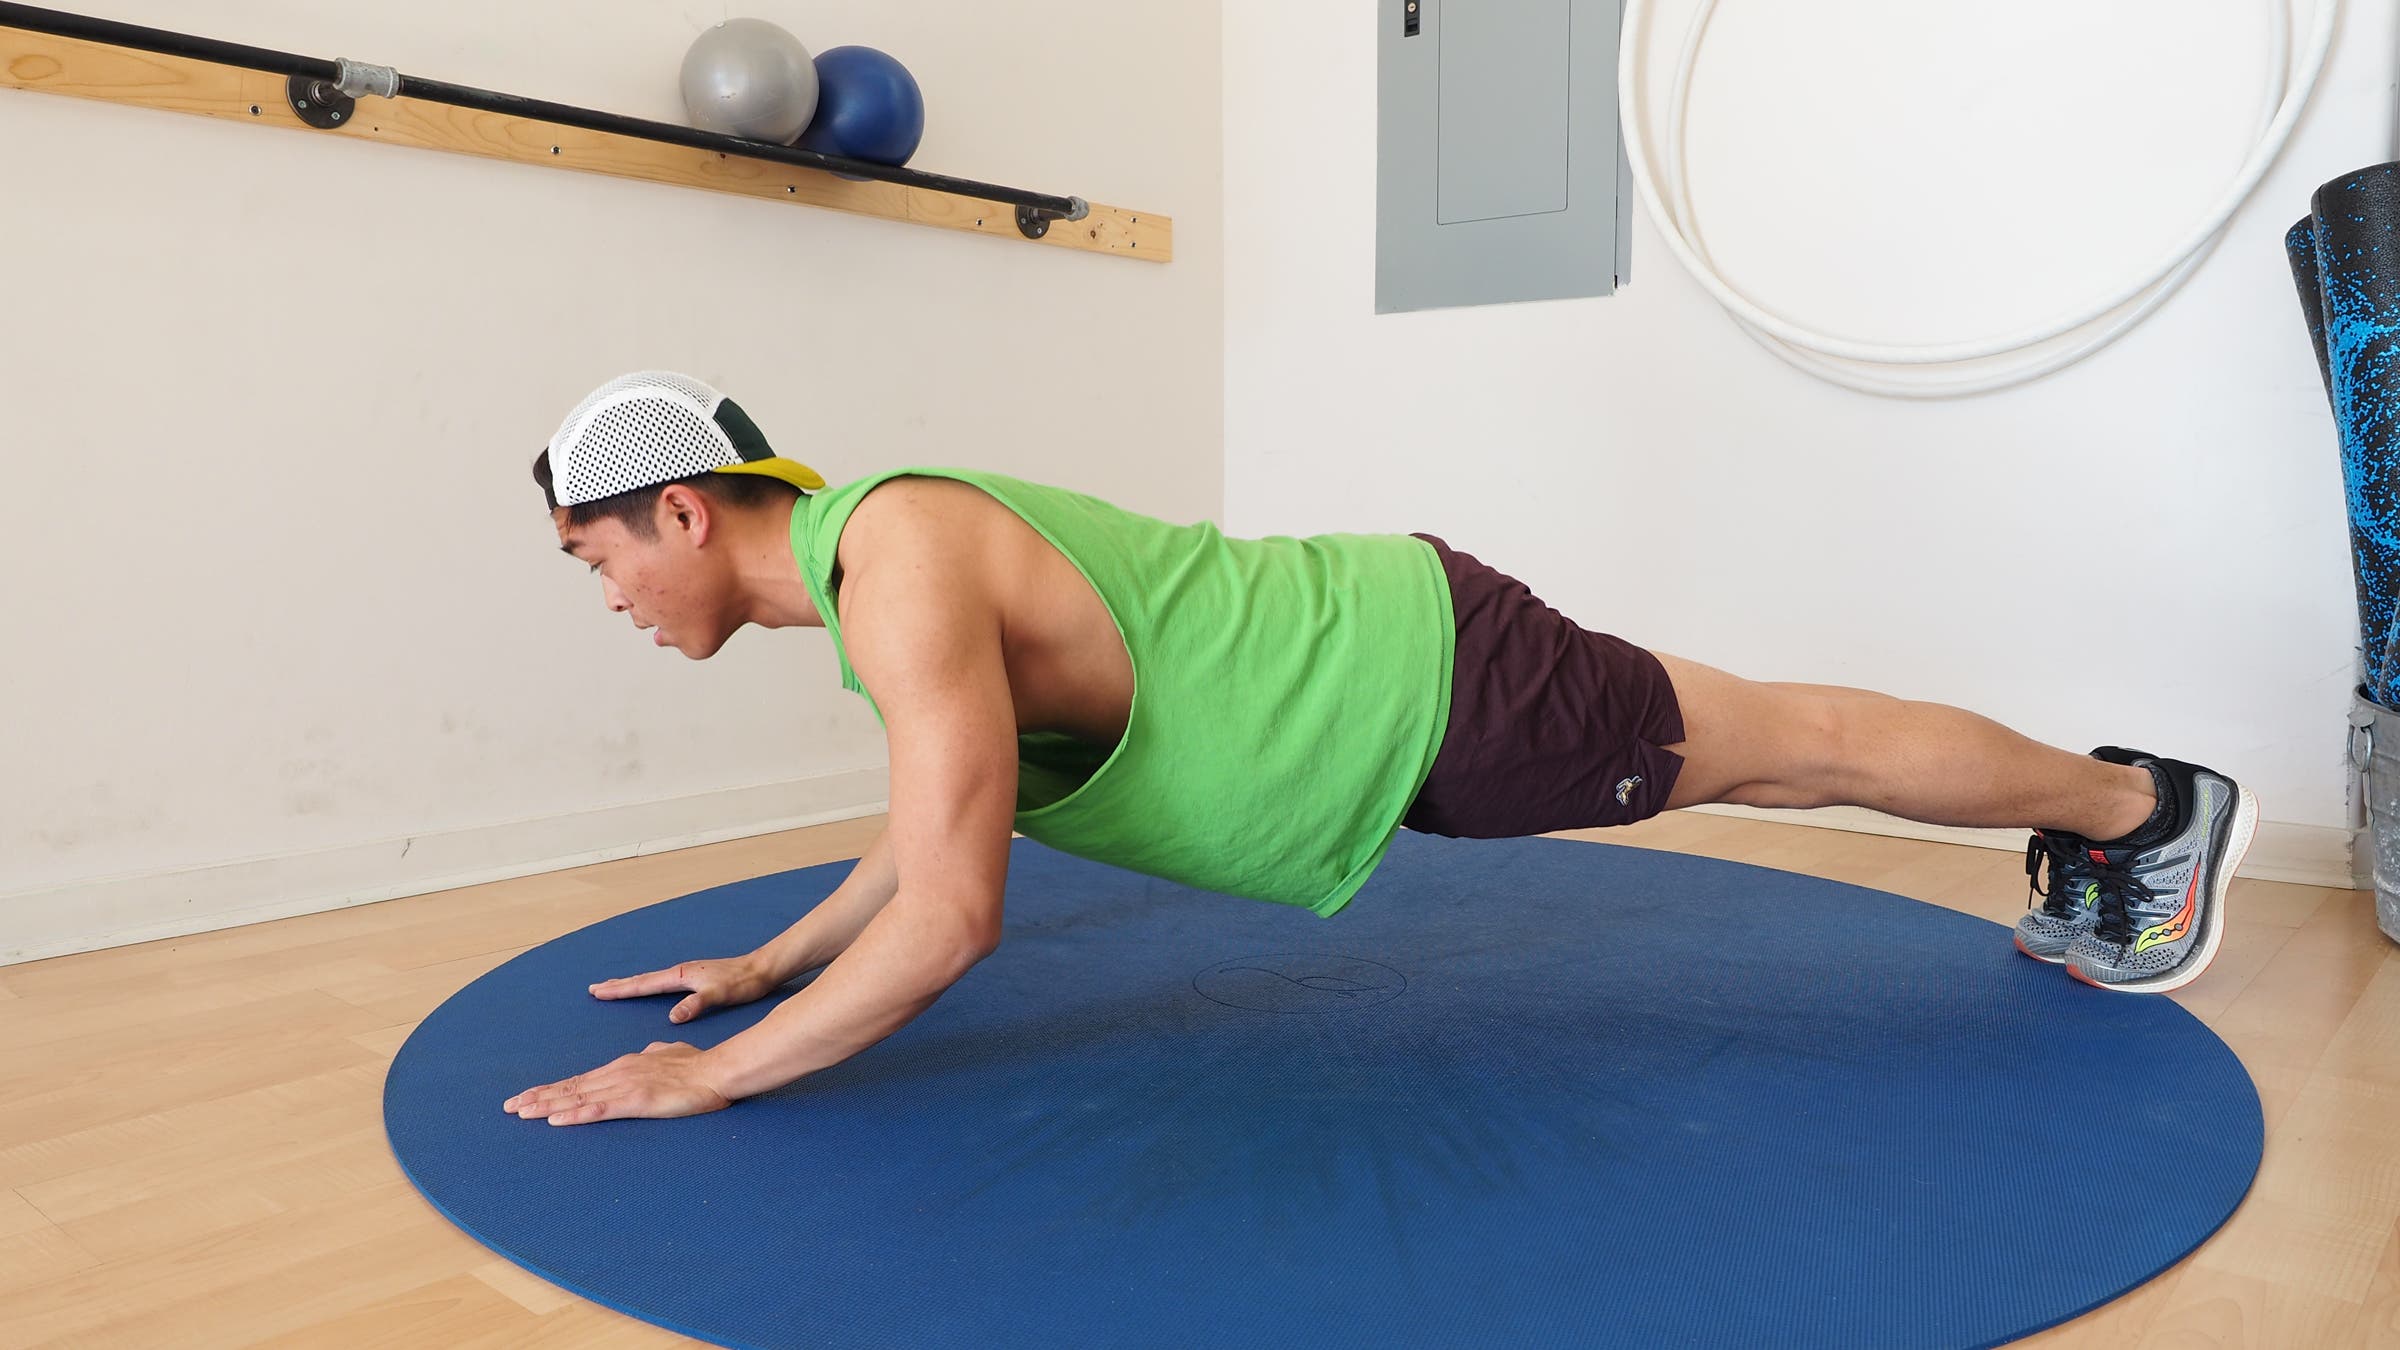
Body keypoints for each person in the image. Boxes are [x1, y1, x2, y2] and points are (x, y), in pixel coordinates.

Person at [502, 372, 2258, 1128]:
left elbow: (957, 910)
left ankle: (2140, 809)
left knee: (1787, 745)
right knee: (1776, 745)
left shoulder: (892, 566)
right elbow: (939, 817)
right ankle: (2125, 809)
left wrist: (707, 1076)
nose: (608, 600)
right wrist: (765, 962)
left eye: (596, 563)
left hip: (1421, 686)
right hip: (1402, 669)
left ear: (675, 508)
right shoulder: (872, 568)